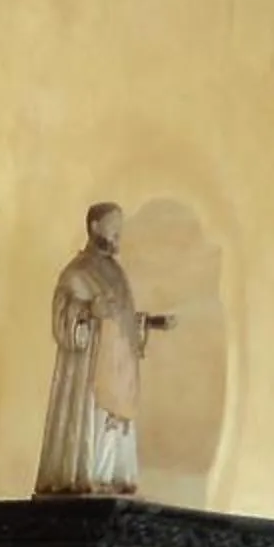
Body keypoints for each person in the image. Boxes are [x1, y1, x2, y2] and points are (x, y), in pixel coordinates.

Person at [35, 203, 172, 498]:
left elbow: (122, 317)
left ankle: (111, 477)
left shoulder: (117, 274)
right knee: (91, 424)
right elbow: (63, 315)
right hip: (90, 371)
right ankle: (83, 474)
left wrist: (150, 322)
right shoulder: (77, 271)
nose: (117, 232)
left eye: (119, 227)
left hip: (118, 368)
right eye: (112, 224)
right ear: (95, 226)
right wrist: (87, 310)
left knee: (114, 428)